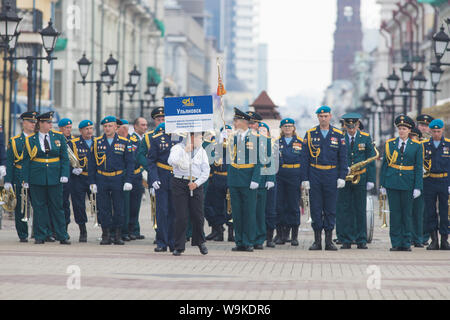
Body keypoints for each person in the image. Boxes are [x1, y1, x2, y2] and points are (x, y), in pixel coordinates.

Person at [22, 111, 71, 245]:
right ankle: (40, 235)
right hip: (36, 177)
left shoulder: (58, 137)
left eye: (51, 122)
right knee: (39, 207)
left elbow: (64, 158)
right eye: (48, 122)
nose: (50, 125)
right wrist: (25, 179)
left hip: (55, 177)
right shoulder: (30, 139)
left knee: (57, 207)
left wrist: (64, 174)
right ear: (41, 124)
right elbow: (26, 161)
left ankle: (62, 235)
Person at [302, 106, 347, 251]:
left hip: (331, 174)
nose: (323, 118)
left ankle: (328, 241)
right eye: (321, 116)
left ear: (330, 116)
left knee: (330, 208)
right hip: (315, 173)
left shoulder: (339, 135)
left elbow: (343, 158)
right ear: (317, 117)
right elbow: (304, 158)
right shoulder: (310, 134)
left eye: (326, 116)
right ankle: (317, 241)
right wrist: (305, 179)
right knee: (315, 208)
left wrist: (342, 176)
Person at [89, 116, 134, 245]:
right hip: (102, 178)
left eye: (110, 126)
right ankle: (106, 234)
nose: (107, 128)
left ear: (116, 127)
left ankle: (118, 235)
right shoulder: (97, 142)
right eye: (105, 126)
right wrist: (92, 182)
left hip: (118, 178)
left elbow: (130, 163)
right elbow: (91, 164)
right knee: (104, 208)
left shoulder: (124, 142)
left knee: (119, 207)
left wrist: (128, 180)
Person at [380, 115, 423, 252]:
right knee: (395, 214)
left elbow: (418, 167)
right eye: (400, 128)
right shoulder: (390, 144)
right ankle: (396, 242)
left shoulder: (416, 146)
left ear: (409, 130)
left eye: (404, 128)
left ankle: (406, 242)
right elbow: (384, 166)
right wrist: (383, 184)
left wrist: (418, 186)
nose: (402, 131)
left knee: (407, 214)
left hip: (408, 183)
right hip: (392, 182)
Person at [336, 113, 376, 250]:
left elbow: (370, 159)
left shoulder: (365, 137)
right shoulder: (340, 138)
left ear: (358, 125)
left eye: (353, 126)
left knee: (360, 209)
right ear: (345, 125)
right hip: (345, 177)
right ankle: (346, 239)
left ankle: (361, 239)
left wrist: (371, 179)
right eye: (348, 126)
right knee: (345, 208)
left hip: (361, 177)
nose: (351, 129)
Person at [168, 133, 210, 256]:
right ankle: (179, 245)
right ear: (191, 137)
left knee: (198, 215)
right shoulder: (177, 148)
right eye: (198, 137)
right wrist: (184, 151)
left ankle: (200, 241)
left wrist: (196, 183)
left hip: (195, 184)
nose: (200, 140)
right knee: (181, 216)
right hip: (179, 182)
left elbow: (206, 171)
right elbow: (171, 161)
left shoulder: (202, 151)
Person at [227, 108, 262, 252]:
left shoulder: (256, 138)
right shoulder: (232, 137)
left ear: (243, 122)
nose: (234, 123)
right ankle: (239, 241)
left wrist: (255, 179)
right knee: (236, 213)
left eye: (236, 121)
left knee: (249, 212)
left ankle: (248, 241)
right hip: (235, 180)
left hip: (248, 180)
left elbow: (260, 160)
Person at [4, 111, 39, 242]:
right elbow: (10, 161)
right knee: (21, 207)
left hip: (35, 175)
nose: (33, 125)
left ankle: (38, 232)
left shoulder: (38, 139)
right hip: (19, 176)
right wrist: (8, 181)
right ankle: (23, 234)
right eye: (30, 122)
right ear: (23, 123)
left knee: (39, 205)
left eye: (34, 122)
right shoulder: (15, 141)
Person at [147, 122, 180, 252]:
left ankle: (173, 242)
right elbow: (151, 161)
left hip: (177, 178)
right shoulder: (157, 139)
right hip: (161, 178)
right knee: (162, 211)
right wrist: (154, 178)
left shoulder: (182, 139)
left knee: (175, 211)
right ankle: (161, 242)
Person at [276, 118, 305, 247]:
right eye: (285, 126)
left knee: (293, 206)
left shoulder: (300, 142)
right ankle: (281, 235)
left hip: (294, 175)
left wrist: (304, 179)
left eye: (290, 126)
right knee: (280, 206)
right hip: (280, 175)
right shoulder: (277, 143)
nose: (287, 128)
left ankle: (294, 235)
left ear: (294, 128)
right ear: (281, 128)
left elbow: (304, 162)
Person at [422, 119, 450, 250]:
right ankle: (434, 240)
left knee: (445, 211)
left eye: (439, 131)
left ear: (443, 130)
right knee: (430, 211)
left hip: (444, 181)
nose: (436, 134)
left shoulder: (448, 145)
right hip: (429, 180)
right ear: (430, 131)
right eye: (434, 131)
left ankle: (445, 239)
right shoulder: (425, 145)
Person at [204, 126, 231, 242]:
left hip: (230, 178)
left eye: (229, 132)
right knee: (216, 206)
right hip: (217, 177)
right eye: (224, 132)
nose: (226, 134)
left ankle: (232, 234)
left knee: (230, 208)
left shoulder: (235, 145)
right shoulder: (215, 146)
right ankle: (219, 231)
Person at [69, 120, 94, 242]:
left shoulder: (98, 142)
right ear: (80, 131)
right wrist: (72, 169)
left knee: (98, 203)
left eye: (91, 128)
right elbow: (67, 159)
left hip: (93, 178)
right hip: (78, 178)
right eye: (86, 129)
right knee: (78, 205)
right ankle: (82, 230)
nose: (89, 131)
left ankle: (105, 230)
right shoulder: (73, 143)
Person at [127, 117, 148, 240]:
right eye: (142, 125)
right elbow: (134, 158)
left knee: (136, 204)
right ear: (135, 127)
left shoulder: (143, 139)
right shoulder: (133, 140)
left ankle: (135, 229)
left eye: (146, 125)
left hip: (139, 174)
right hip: (133, 175)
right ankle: (130, 230)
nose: (145, 127)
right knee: (132, 204)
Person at [256, 122, 275, 249]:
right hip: (255, 180)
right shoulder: (253, 144)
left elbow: (272, 162)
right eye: (259, 130)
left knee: (268, 210)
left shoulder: (271, 145)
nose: (261, 133)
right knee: (256, 211)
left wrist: (270, 178)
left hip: (267, 180)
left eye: (264, 131)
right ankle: (257, 237)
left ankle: (267, 237)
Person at [409, 127, 425, 248]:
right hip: (408, 181)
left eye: (414, 136)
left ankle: (418, 238)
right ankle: (409, 236)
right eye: (411, 136)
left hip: (422, 182)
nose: (412, 139)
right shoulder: (408, 147)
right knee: (408, 212)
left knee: (418, 213)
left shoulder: (423, 146)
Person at [58, 118, 75, 233]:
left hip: (70, 176)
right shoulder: (57, 140)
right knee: (56, 202)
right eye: (66, 128)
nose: (68, 130)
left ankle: (65, 227)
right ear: (60, 128)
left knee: (65, 202)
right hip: (57, 175)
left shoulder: (73, 141)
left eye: (70, 127)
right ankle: (55, 228)